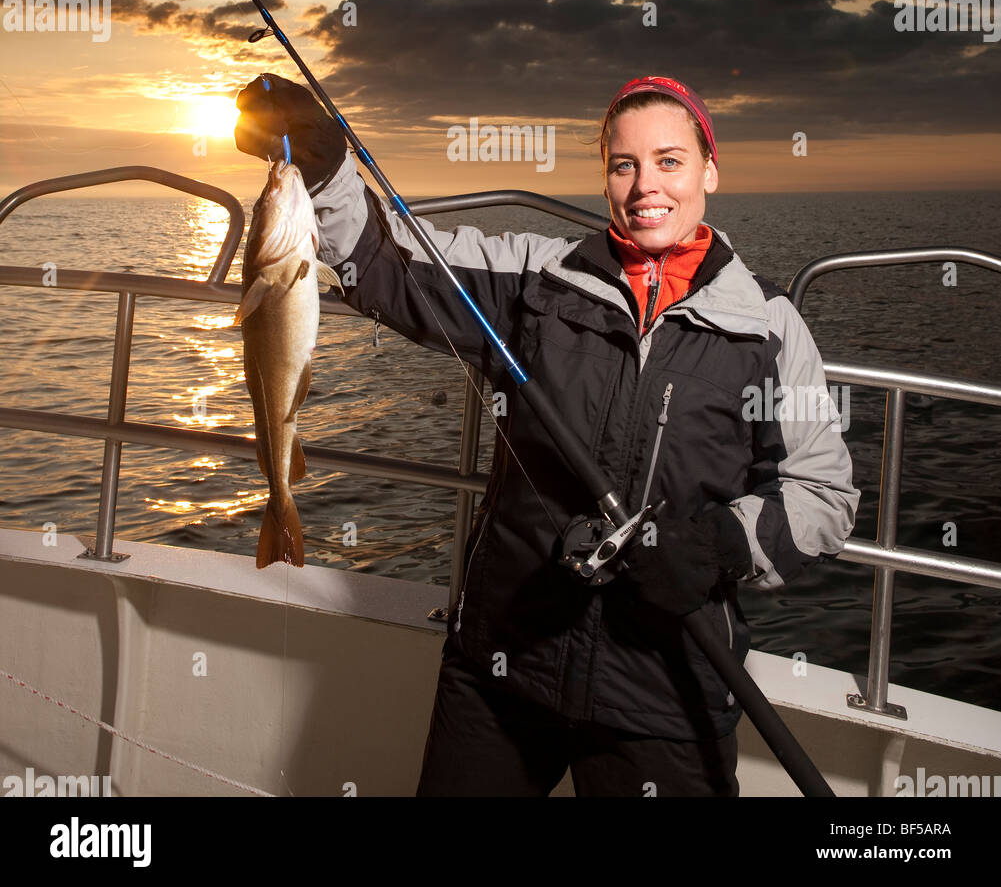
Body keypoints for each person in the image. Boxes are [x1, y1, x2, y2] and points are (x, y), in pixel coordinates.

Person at [234, 72, 859, 797]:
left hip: (664, 689)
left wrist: (719, 545)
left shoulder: (769, 325)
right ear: (604, 178)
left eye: (668, 161)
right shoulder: (536, 276)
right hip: (502, 662)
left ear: (708, 171)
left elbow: (822, 496)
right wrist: (321, 160)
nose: (644, 185)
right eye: (623, 165)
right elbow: (385, 263)